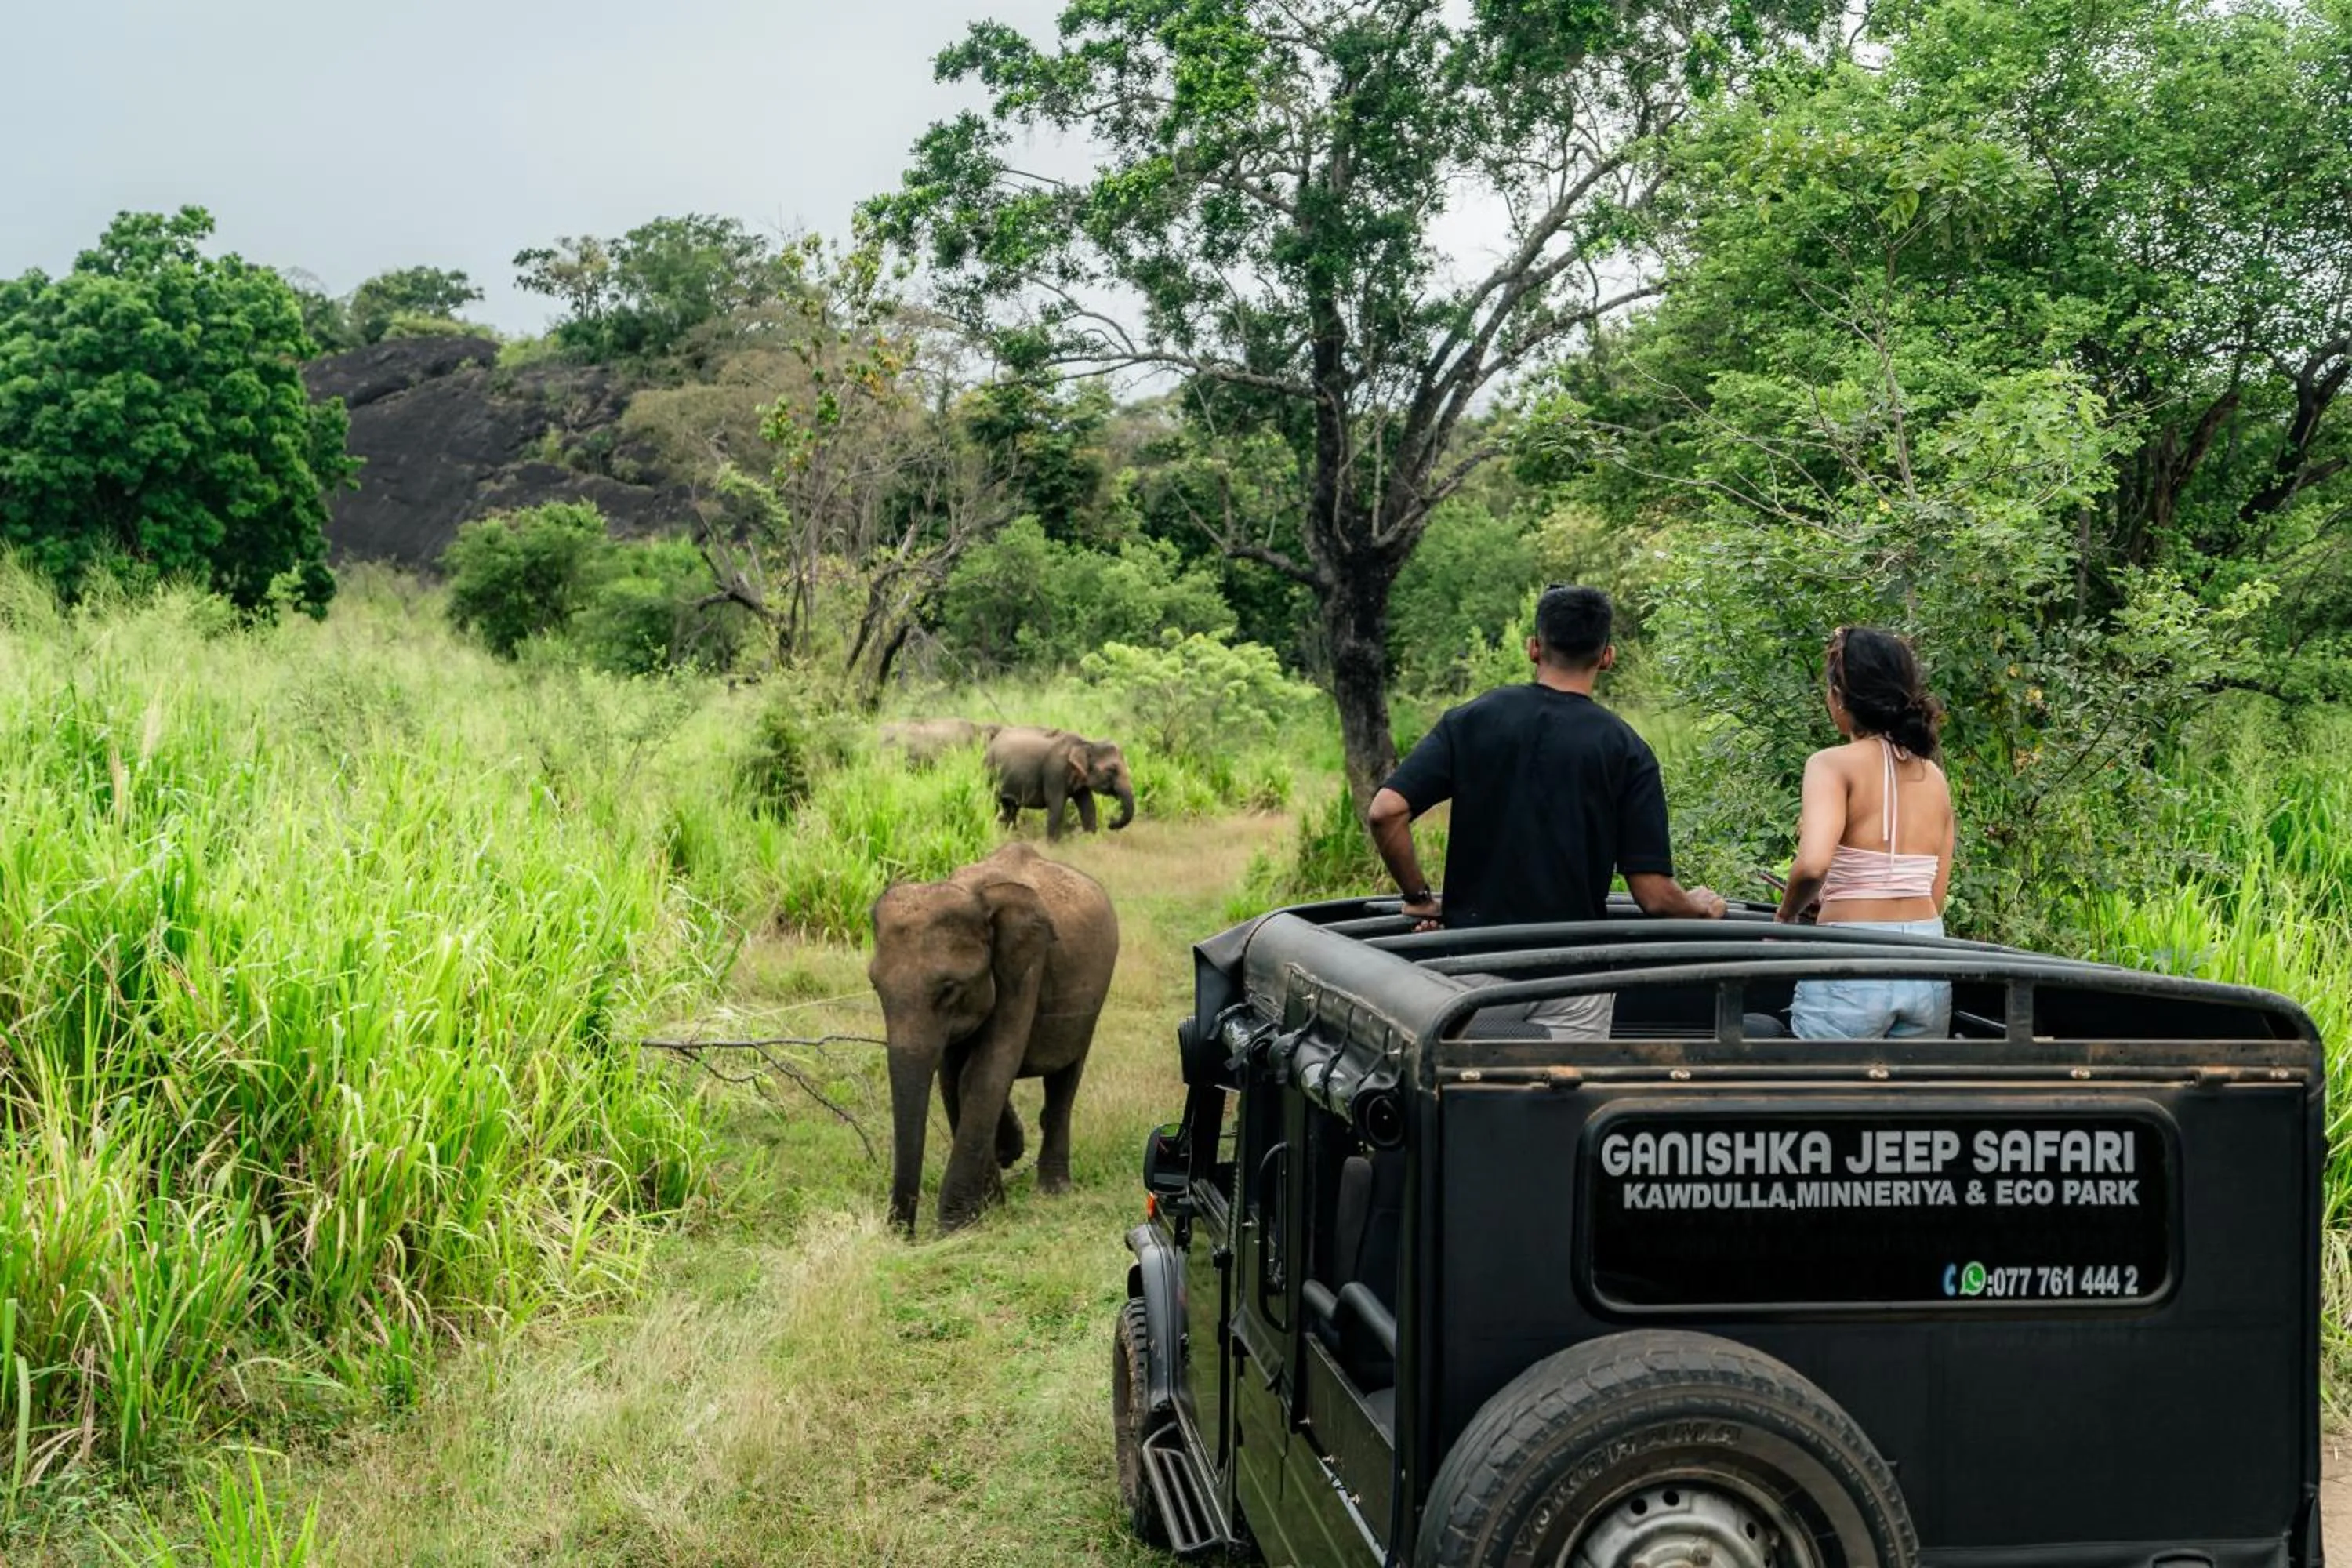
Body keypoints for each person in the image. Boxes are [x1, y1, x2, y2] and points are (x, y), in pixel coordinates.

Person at [1367, 584, 1726, 1039]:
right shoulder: (1627, 749)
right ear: (1607, 657)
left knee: (1467, 1079)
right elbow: (1653, 895)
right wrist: (1699, 909)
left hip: (1473, 968)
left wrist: (1419, 897)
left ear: (1534, 648)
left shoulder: (1472, 720)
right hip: (1573, 980)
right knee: (1566, 1083)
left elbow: (1386, 811)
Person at [1773, 626, 1957, 1038]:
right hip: (1928, 960)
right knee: (1912, 1082)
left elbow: (1813, 864)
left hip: (1853, 962)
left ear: (1840, 697)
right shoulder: (1934, 777)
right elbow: (1934, 896)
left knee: (1828, 1079)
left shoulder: (1831, 764)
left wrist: (1786, 915)